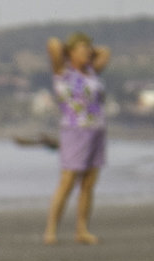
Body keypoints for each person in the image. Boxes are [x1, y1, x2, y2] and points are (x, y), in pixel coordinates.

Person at [44, 33, 111, 246]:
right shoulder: (63, 72)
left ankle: (82, 230)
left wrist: (88, 52)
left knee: (89, 183)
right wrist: (69, 50)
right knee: (67, 180)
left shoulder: (92, 71)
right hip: (74, 131)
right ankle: (51, 229)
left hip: (97, 130)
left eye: (88, 49)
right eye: (81, 49)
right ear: (71, 52)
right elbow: (53, 44)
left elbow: (105, 52)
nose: (87, 52)